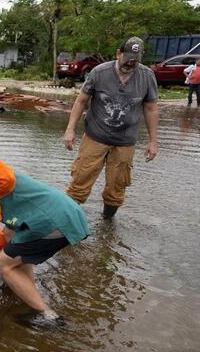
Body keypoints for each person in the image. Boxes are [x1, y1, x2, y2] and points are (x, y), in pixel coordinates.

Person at [0, 133, 90, 320]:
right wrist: (7, 256)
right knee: (11, 248)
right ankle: (28, 291)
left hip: (58, 221)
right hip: (67, 216)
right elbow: (9, 233)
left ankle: (47, 315)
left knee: (2, 263)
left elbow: (3, 174)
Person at [63, 36, 158, 219]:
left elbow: (151, 108)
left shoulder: (147, 76)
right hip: (95, 136)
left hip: (125, 141)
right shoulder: (100, 72)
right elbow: (81, 100)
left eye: (135, 60)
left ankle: (107, 225)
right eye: (127, 58)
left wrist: (153, 142)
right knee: (80, 182)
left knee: (117, 187)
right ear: (118, 53)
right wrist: (70, 129)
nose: (130, 63)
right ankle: (67, 223)